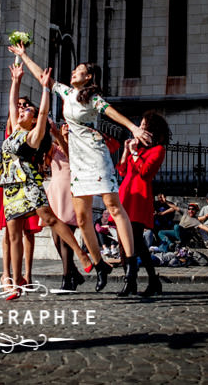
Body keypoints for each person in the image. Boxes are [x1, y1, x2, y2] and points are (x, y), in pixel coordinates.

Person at [10, 42, 152, 293]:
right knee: (83, 217)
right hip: (77, 161)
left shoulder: (93, 98)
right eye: (74, 70)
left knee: (113, 208)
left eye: (79, 70)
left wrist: (133, 128)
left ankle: (131, 271)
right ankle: (99, 266)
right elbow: (42, 76)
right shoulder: (65, 92)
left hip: (95, 156)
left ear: (88, 78)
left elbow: (111, 113)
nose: (73, 72)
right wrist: (24, 55)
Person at [0, 62, 93, 300]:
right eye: (21, 111)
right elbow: (12, 105)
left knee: (50, 218)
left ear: (33, 121)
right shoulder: (15, 130)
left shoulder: (32, 135)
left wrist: (45, 90)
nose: (22, 112)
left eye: (26, 111)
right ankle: (16, 282)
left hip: (29, 184)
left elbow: (42, 114)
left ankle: (81, 255)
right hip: (10, 189)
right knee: (13, 236)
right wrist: (15, 80)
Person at [0, 94, 43, 287]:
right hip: (10, 183)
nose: (22, 107)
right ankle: (6, 274)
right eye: (19, 105)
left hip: (28, 179)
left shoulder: (31, 130)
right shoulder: (13, 126)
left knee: (29, 232)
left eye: (26, 105)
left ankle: (28, 276)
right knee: (9, 232)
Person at [115, 111, 170, 297]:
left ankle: (147, 280)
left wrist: (134, 152)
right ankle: (133, 280)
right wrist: (125, 150)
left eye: (144, 126)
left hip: (139, 197)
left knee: (137, 241)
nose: (140, 129)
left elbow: (145, 172)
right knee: (123, 241)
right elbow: (122, 171)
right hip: (126, 194)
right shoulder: (137, 147)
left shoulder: (158, 150)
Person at [44, 121, 85, 292]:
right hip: (55, 191)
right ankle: (74, 273)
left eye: (70, 126)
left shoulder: (78, 147)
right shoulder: (53, 147)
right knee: (56, 239)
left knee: (66, 239)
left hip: (71, 192)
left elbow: (73, 159)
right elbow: (45, 162)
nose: (66, 127)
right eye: (64, 125)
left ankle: (67, 278)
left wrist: (62, 138)